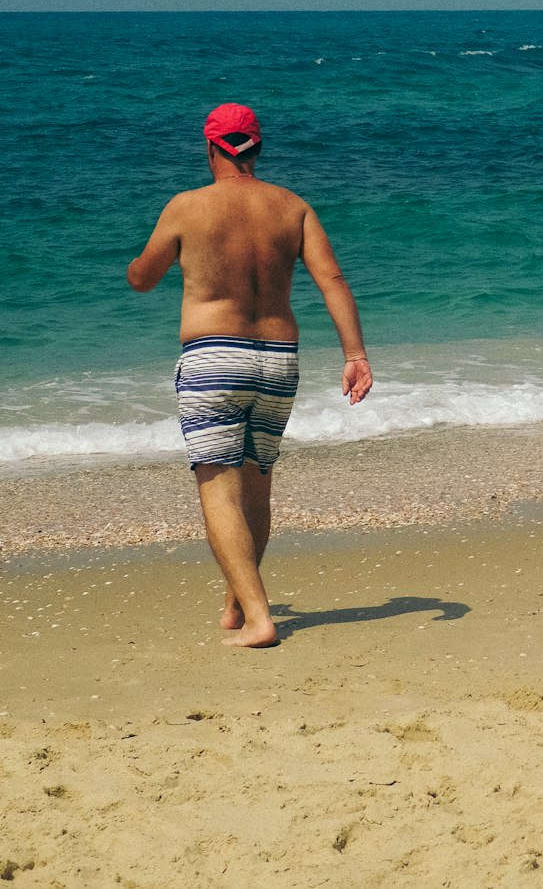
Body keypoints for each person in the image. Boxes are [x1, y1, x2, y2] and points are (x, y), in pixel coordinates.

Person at [126, 102, 372, 647]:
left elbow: (142, 279)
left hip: (215, 357)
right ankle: (238, 603)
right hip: (278, 359)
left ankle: (261, 619)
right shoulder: (293, 207)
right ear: (256, 147)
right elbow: (331, 279)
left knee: (218, 489)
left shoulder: (187, 207)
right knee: (257, 483)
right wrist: (354, 354)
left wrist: (137, 266)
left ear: (210, 147)